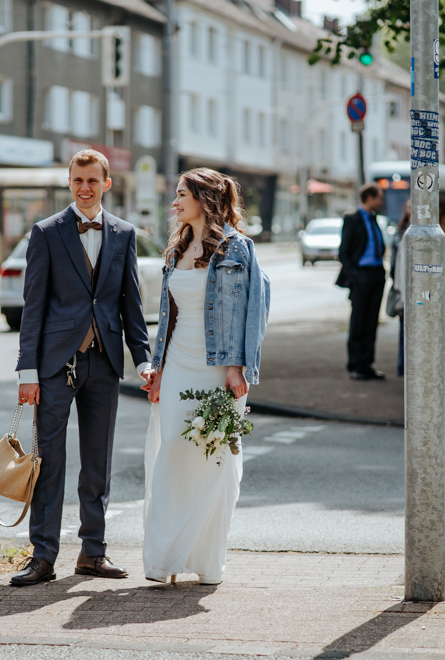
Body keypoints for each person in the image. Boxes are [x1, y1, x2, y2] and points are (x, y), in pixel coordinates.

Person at [11, 149, 153, 587]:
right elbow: (32, 307)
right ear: (69, 183)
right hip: (55, 367)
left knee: (97, 464)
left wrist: (143, 358)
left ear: (107, 183)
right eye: (77, 180)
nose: (85, 188)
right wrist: (27, 373)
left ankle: (93, 552)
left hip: (104, 363)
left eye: (93, 180)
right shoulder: (46, 233)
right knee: (49, 462)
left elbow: (132, 305)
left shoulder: (124, 234)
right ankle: (43, 556)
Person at [141, 168, 270, 585]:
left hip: (219, 369)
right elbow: (168, 318)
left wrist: (240, 368)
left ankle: (206, 560)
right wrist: (157, 370)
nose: (174, 202)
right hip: (178, 364)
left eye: (181, 194)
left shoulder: (239, 249)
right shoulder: (176, 248)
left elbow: (256, 312)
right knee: (174, 453)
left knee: (215, 462)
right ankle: (164, 558)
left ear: (203, 198)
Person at [393, 196, 445, 414]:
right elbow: (403, 269)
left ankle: (438, 402)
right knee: (425, 349)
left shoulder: (431, 235)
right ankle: (429, 402)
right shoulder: (421, 235)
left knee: (434, 348)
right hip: (423, 299)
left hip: (431, 299)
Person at [336, 183, 387, 380]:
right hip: (362, 276)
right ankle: (355, 364)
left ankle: (367, 364)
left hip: (376, 275)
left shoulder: (374, 219)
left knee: (372, 322)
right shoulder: (353, 219)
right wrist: (355, 276)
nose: (381, 202)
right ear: (369, 198)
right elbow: (344, 252)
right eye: (379, 198)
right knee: (358, 321)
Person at [390, 200, 411, 377]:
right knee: (404, 328)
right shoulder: (401, 234)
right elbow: (396, 263)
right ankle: (402, 365)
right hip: (405, 288)